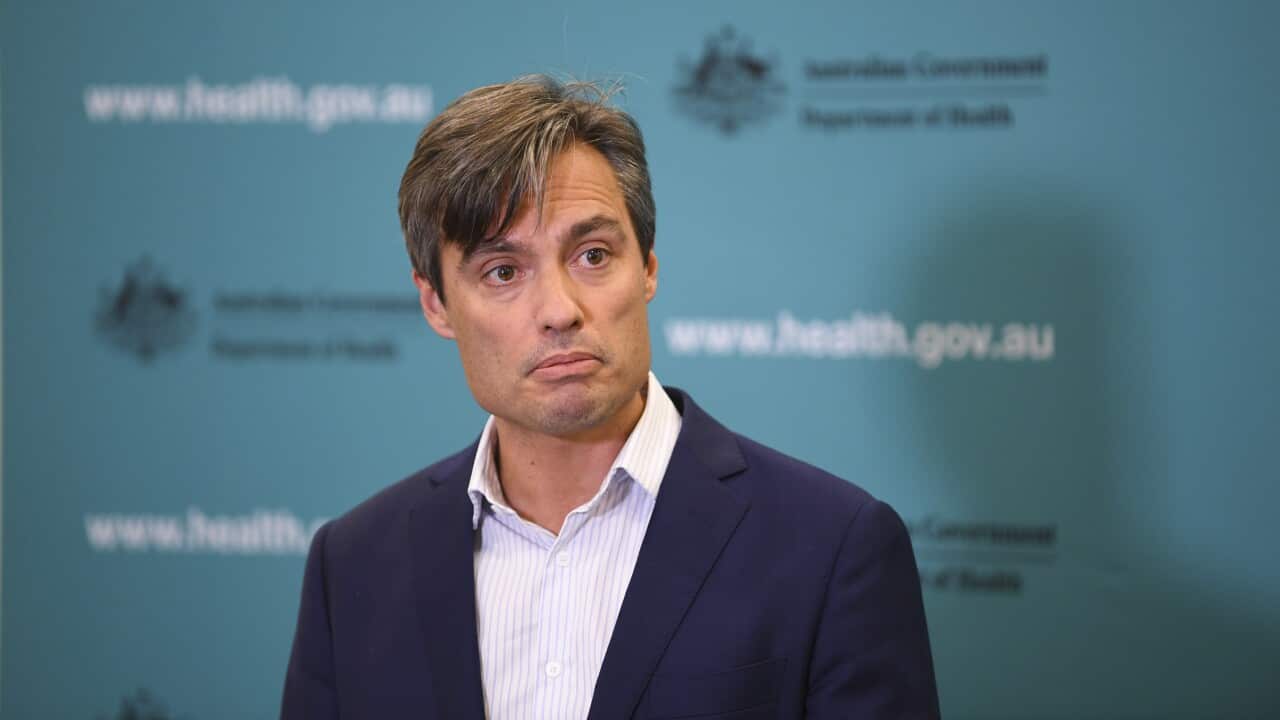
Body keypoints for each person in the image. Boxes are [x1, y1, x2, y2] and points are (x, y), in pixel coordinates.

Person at [281, 75, 940, 720]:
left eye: (593, 255)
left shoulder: (830, 547)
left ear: (647, 265)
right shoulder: (354, 565)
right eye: (503, 271)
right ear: (436, 303)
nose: (560, 311)